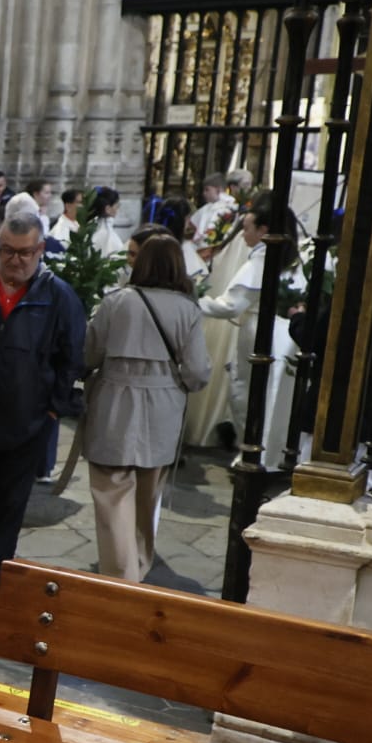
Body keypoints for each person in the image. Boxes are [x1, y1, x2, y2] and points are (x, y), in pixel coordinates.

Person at [0, 212, 83, 606]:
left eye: (25, 252)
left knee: (3, 515)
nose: (15, 260)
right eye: (7, 250)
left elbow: (71, 359)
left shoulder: (58, 296)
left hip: (23, 424)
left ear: (40, 251)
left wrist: (53, 412)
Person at [81, 234, 210, 582]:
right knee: (147, 495)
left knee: (111, 492)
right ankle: (137, 564)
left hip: (113, 402)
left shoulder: (116, 302)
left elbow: (89, 354)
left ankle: (120, 576)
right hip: (163, 406)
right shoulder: (188, 309)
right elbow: (198, 371)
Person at [182, 205, 270, 448]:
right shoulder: (271, 257)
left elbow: (231, 306)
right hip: (268, 331)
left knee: (243, 392)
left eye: (247, 228)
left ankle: (250, 451)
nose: (243, 235)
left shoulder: (259, 262)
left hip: (255, 333)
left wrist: (194, 304)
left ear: (263, 230)